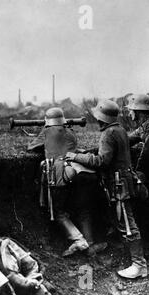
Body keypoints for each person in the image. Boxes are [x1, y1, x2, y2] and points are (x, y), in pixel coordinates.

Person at [65, 100, 148, 279]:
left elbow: (102, 161)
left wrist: (76, 156)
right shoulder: (119, 130)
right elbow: (108, 153)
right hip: (125, 181)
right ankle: (128, 256)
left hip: (119, 185)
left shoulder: (108, 134)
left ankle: (139, 265)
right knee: (122, 220)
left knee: (127, 223)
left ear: (101, 118)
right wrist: (88, 152)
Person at [28, 107, 106, 257]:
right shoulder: (70, 131)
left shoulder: (46, 131)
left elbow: (31, 146)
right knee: (83, 210)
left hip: (60, 173)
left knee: (58, 212)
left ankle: (78, 240)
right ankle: (89, 243)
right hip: (80, 170)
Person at [127, 94, 149, 207]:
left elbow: (147, 155)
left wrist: (137, 175)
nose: (129, 113)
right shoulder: (145, 126)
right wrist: (90, 151)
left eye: (131, 110)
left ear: (138, 111)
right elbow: (125, 142)